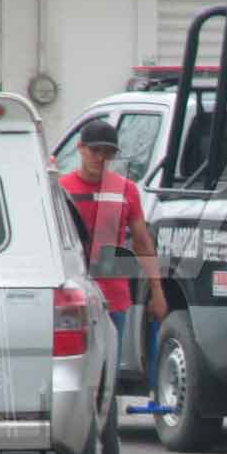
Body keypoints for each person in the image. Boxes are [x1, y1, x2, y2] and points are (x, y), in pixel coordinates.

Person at [59, 120, 169, 358]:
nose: (101, 158)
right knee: (74, 366)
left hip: (113, 297)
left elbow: (142, 243)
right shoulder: (61, 189)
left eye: (108, 152)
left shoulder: (126, 190)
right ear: (80, 148)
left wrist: (157, 292)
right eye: (95, 150)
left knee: (110, 368)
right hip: (72, 296)